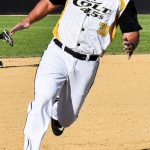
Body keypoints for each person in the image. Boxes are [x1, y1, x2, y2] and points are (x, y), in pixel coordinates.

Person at [10, 0, 142, 149]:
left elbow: (131, 31)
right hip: (57, 52)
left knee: (67, 118)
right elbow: (48, 4)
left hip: (87, 64)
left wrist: (131, 42)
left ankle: (56, 113)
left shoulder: (123, 2)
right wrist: (28, 19)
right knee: (43, 98)